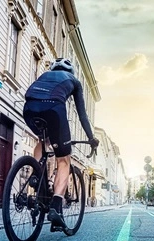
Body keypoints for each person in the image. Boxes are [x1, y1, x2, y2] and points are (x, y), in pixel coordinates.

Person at [23, 58, 99, 231]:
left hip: (29, 108)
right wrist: (91, 138)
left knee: (44, 140)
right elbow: (82, 115)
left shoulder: (44, 75)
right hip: (53, 109)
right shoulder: (74, 81)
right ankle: (56, 206)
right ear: (71, 72)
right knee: (63, 160)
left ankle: (36, 175)